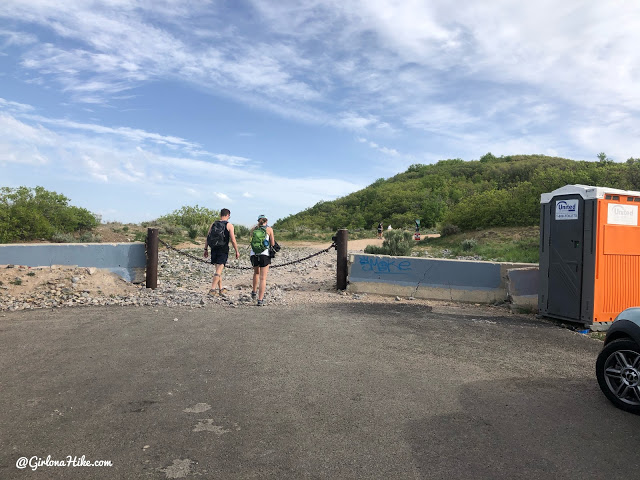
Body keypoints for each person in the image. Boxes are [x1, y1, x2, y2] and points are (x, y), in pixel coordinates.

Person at [203, 208, 239, 296]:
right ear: (228, 215)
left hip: (214, 248)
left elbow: (208, 237)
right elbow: (233, 240)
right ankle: (212, 289)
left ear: (220, 214)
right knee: (218, 271)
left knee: (218, 270)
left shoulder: (214, 224)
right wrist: (236, 251)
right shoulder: (229, 225)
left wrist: (205, 249)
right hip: (223, 249)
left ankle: (220, 289)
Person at [250, 215, 275, 306]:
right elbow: (272, 243)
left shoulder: (253, 229)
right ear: (266, 221)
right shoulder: (269, 229)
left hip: (253, 254)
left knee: (256, 273)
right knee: (263, 278)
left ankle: (254, 291)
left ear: (258, 221)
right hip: (264, 254)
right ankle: (260, 300)